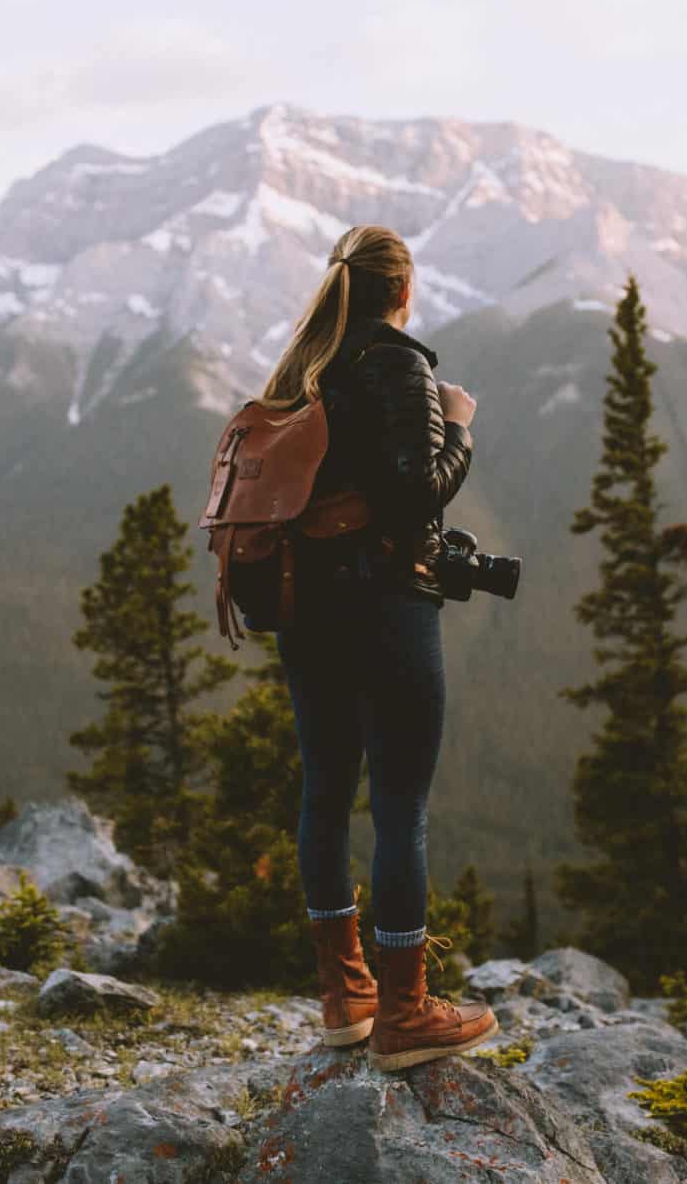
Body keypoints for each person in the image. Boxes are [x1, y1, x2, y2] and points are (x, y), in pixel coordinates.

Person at [255, 222, 498, 1071]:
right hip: (386, 608)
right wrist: (459, 423)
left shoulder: (298, 371)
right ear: (402, 290)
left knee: (325, 791)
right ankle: (405, 1010)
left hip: (305, 612)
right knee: (401, 804)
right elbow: (414, 493)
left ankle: (344, 994)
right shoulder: (397, 363)